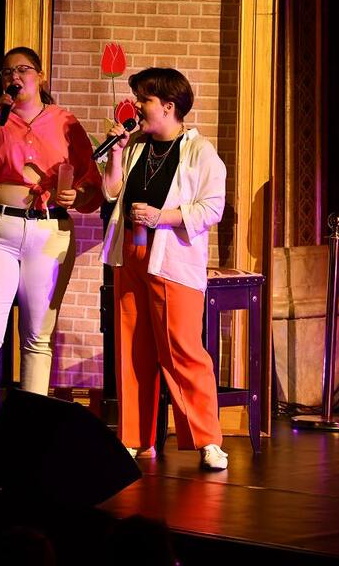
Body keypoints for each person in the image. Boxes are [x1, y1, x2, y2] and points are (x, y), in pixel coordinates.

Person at [0, 46, 102, 461]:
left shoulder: (65, 122)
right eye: (7, 72)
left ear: (40, 76)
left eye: (23, 70)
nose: (15, 78)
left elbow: (91, 186)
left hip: (48, 231)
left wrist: (77, 195)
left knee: (37, 335)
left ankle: (30, 430)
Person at [101, 67, 228, 471]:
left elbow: (212, 208)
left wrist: (163, 217)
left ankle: (207, 440)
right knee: (132, 348)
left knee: (182, 349)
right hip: (131, 253)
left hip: (171, 258)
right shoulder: (136, 146)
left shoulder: (199, 151)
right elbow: (111, 191)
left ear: (169, 106)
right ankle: (134, 439)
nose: (137, 106)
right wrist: (116, 153)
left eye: (145, 99)